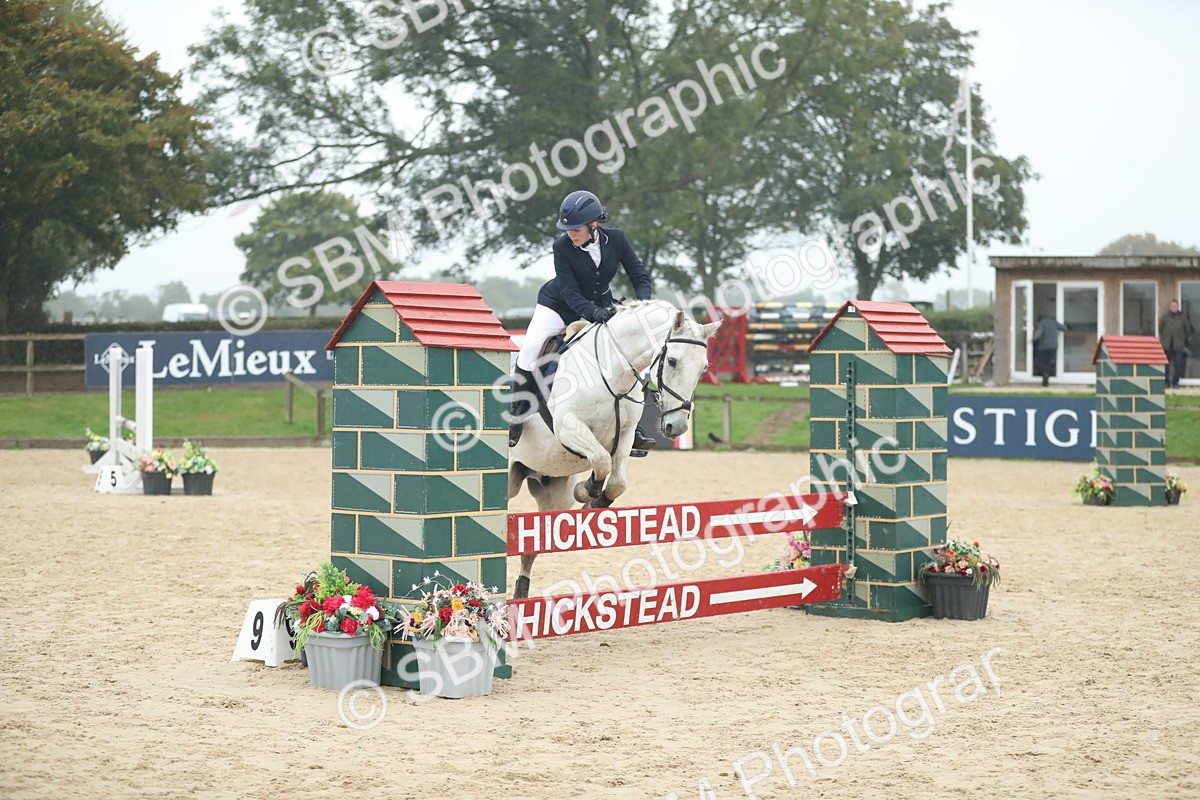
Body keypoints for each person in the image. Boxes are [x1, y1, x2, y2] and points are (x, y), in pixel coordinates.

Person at [509, 190, 655, 448]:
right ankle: (516, 412)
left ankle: (632, 427)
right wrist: (592, 313)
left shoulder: (617, 239)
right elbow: (569, 291)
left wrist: (641, 305)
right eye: (568, 229)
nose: (571, 234)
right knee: (531, 348)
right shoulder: (562, 247)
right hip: (558, 306)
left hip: (601, 305)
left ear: (594, 225)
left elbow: (639, 276)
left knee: (631, 353)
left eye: (576, 229)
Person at [1159, 299, 1194, 388]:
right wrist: (1164, 340)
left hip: (1179, 346)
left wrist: (1185, 341)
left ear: (1177, 307)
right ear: (1170, 307)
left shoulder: (1183, 317)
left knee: (1178, 366)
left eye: (1175, 306)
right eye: (1172, 306)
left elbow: (1188, 330)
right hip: (1167, 346)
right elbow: (1161, 329)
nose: (1174, 307)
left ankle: (1175, 383)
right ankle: (1166, 382)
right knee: (1166, 366)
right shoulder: (1165, 317)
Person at [1031, 310, 1067, 387]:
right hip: (1053, 347)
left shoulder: (1042, 323)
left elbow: (1039, 333)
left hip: (1042, 347)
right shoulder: (1054, 322)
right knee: (1049, 362)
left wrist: (1033, 339)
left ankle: (1045, 374)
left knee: (1040, 362)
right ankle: (1047, 376)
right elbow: (1064, 328)